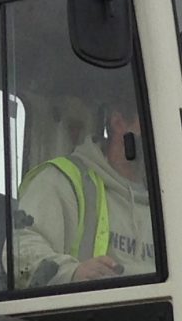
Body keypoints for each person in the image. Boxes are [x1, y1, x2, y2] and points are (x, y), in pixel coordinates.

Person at [12, 99, 158, 288]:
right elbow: (19, 249)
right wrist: (72, 273)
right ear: (118, 122)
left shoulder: (166, 199)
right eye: (153, 119)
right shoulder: (63, 180)